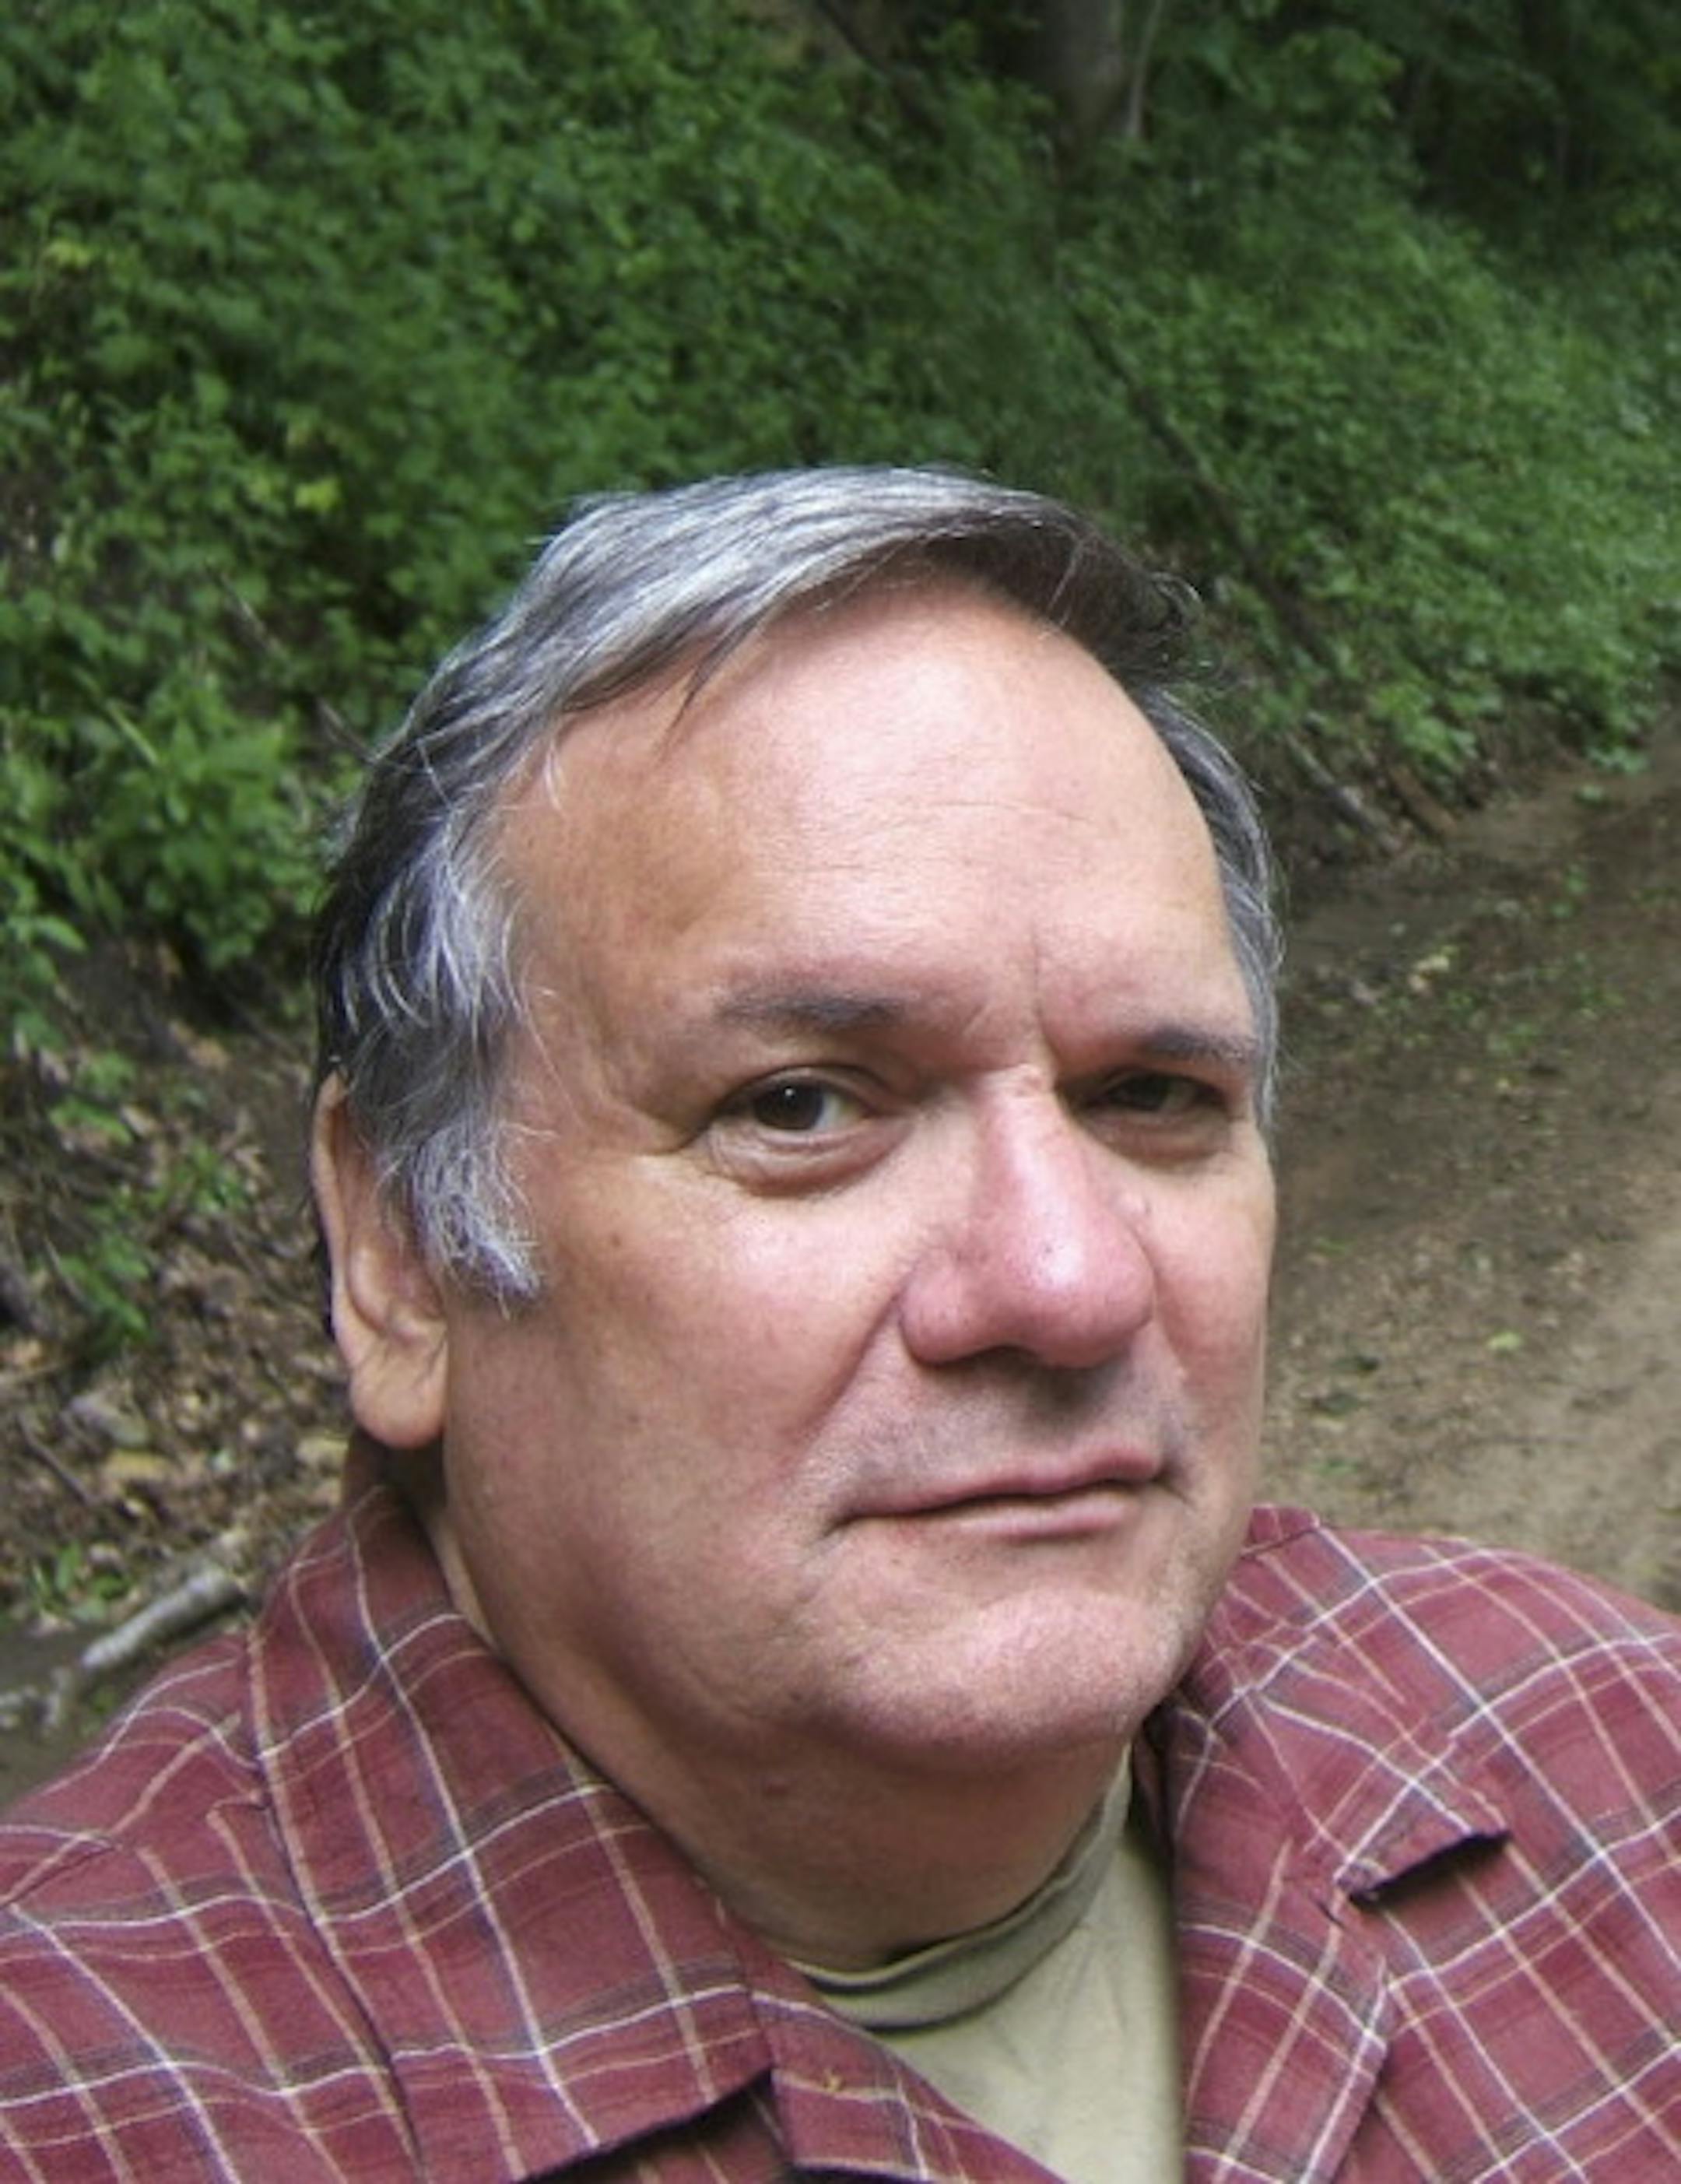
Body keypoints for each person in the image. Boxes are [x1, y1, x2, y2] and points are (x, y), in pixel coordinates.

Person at [1, 467, 1677, 2184]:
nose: (1067, 1280)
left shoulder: (1611, 1756)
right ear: (404, 1252)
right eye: (802, 1104)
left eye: (1153, 1093)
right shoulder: (90, 2102)